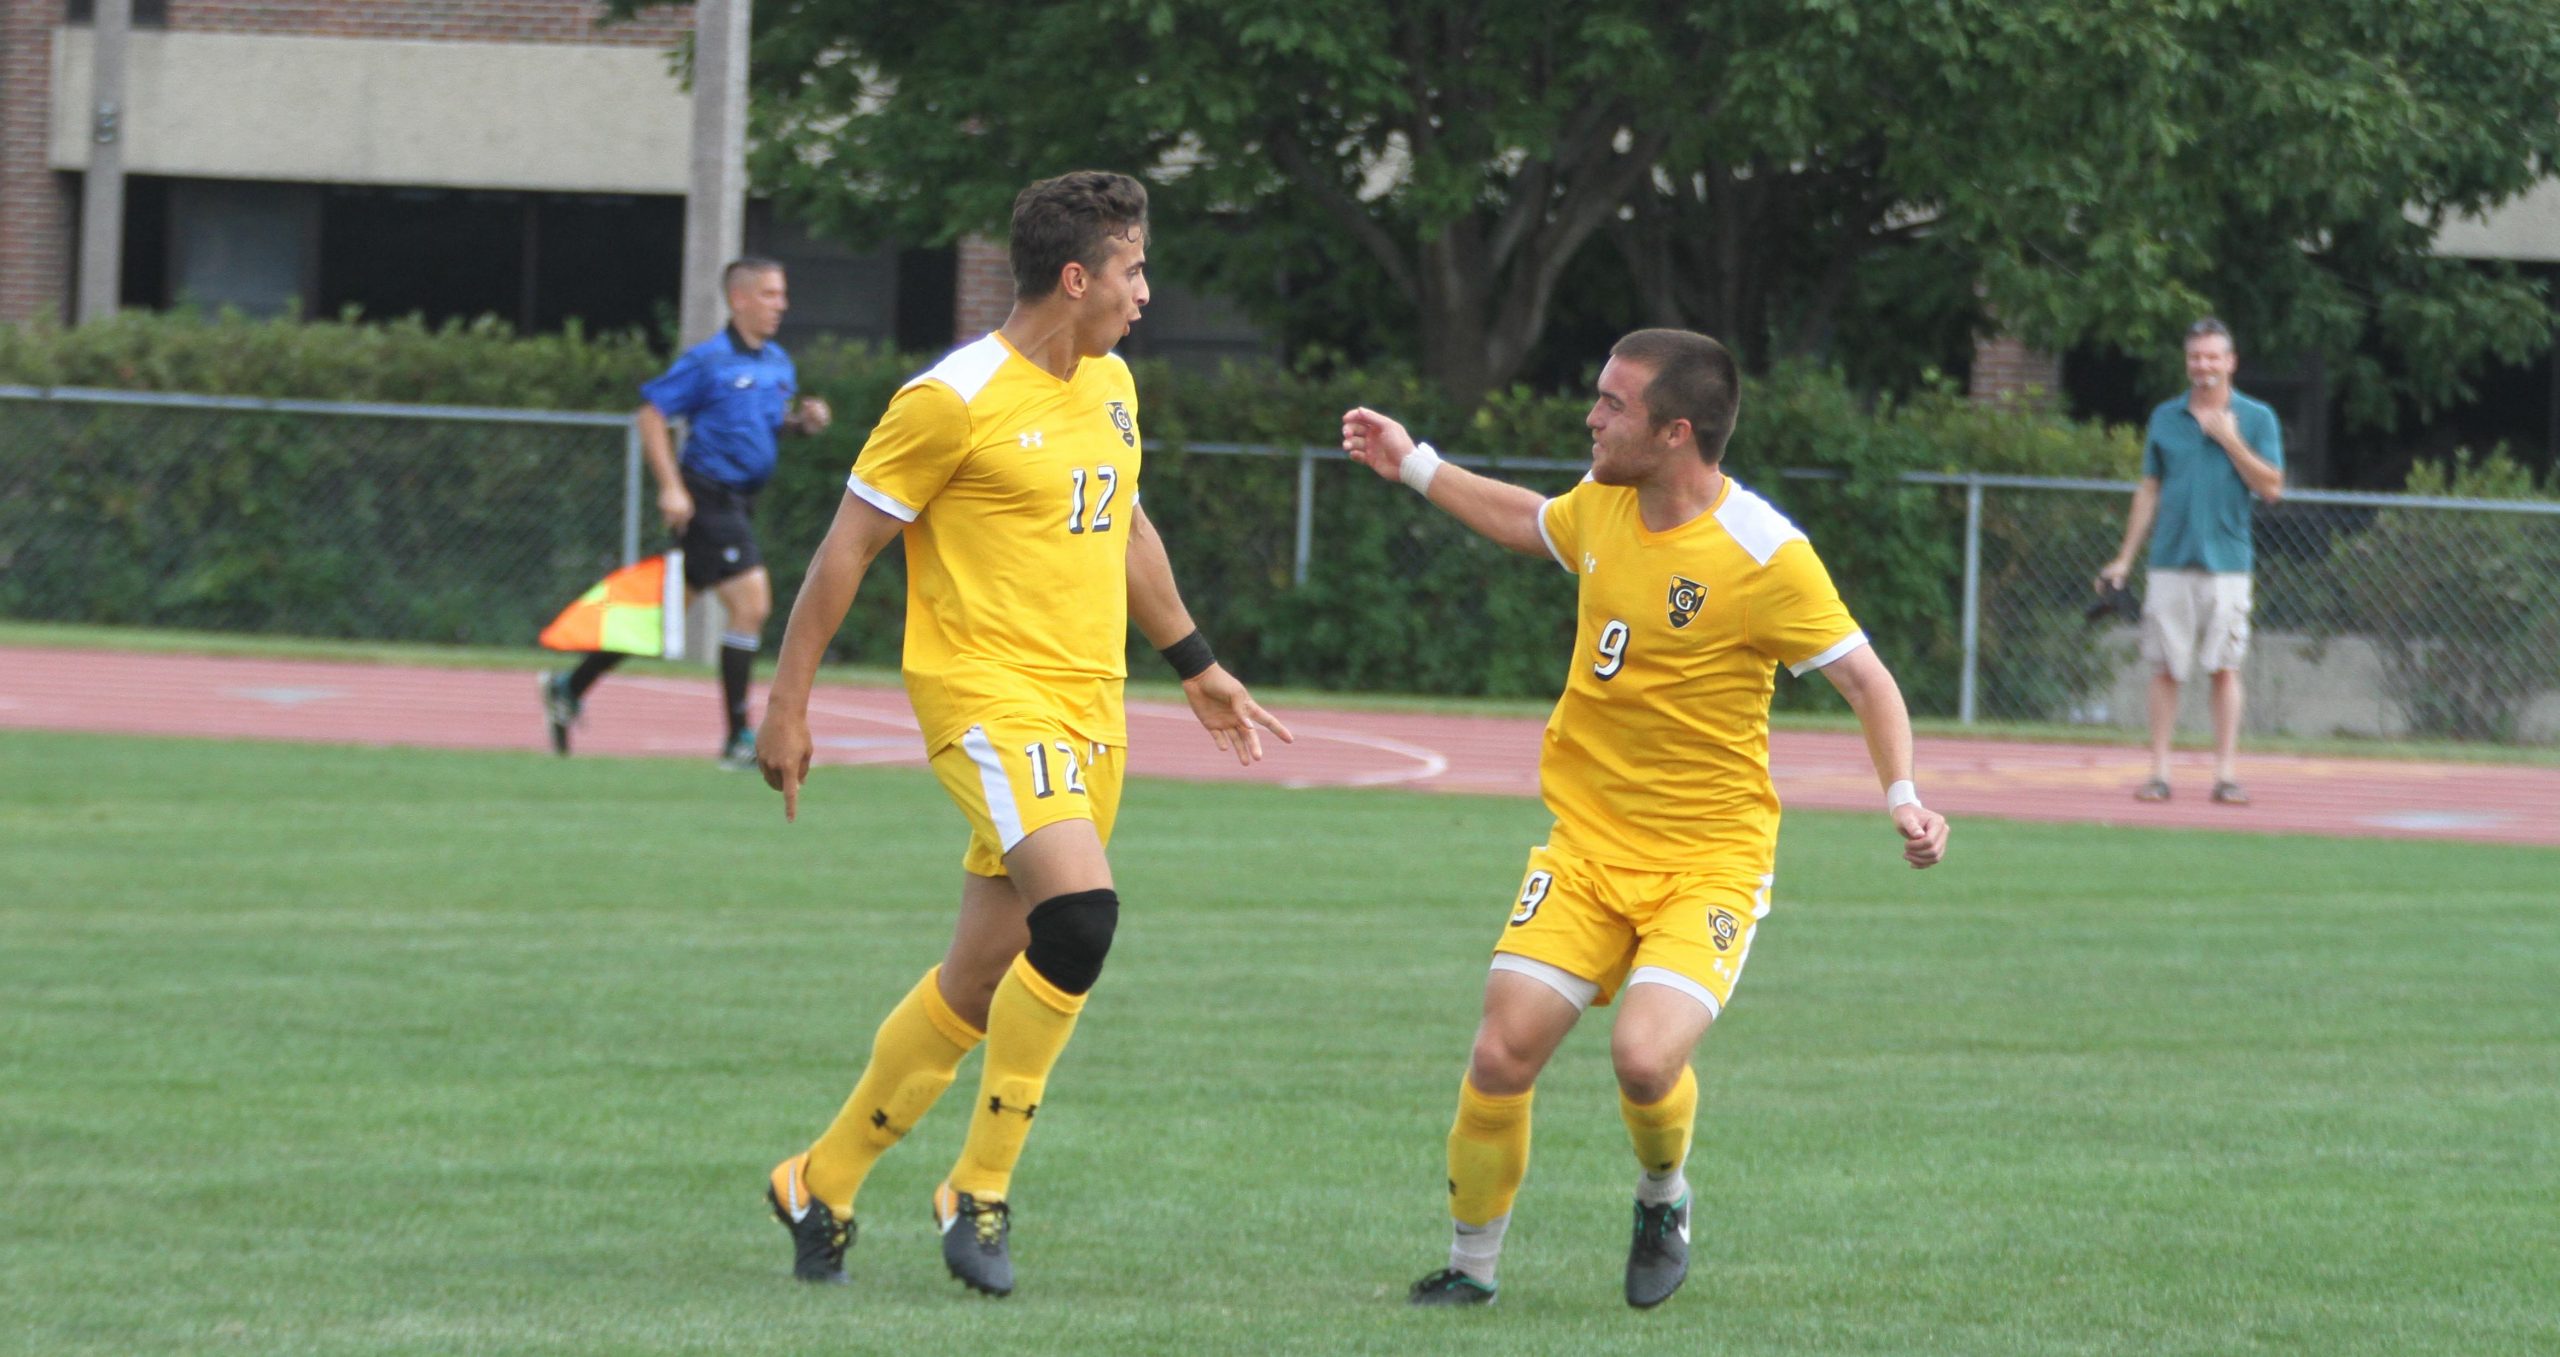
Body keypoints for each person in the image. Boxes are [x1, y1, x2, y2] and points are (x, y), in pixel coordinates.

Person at [751, 171, 1292, 1297]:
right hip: (986, 698)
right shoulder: (949, 399)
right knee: (1083, 921)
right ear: (1076, 275)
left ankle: (819, 1179)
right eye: (1135, 270)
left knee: (977, 973)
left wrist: (1195, 663)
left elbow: (1126, 519)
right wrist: (788, 702)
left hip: (1090, 706)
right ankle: (979, 1189)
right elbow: (844, 551)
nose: (1148, 291)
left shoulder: (1112, 382)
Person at [1339, 329, 1950, 1310]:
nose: (1591, 416)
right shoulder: (1603, 505)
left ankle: (1663, 1193)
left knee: (1643, 1055)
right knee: (1500, 1053)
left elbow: (1867, 681)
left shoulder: (1764, 553)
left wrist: (1904, 798)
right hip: (1587, 848)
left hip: (1707, 860)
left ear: (1674, 432)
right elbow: (1527, 520)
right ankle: (1471, 1268)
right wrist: (1411, 462)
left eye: (1612, 404)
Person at [541, 258, 833, 768]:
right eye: (769, 294)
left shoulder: (778, 363)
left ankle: (570, 687)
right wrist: (671, 489)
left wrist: (802, 423)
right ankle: (739, 739)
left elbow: (764, 425)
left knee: (661, 616)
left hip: (741, 501)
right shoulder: (709, 361)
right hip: (708, 496)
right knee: (752, 603)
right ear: (739, 299)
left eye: (782, 294)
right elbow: (651, 414)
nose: (780, 304)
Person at [2095, 317, 2285, 805]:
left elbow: (2272, 488)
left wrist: (2229, 437)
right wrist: (2123, 559)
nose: (2203, 365)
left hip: (2227, 564)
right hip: (2170, 561)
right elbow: (2149, 488)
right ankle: (2158, 772)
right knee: (2165, 667)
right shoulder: (2165, 417)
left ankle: (2225, 775)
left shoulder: (2257, 417)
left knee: (2225, 667)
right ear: (2187, 362)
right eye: (2195, 357)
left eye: (2212, 356)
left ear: (2231, 361)